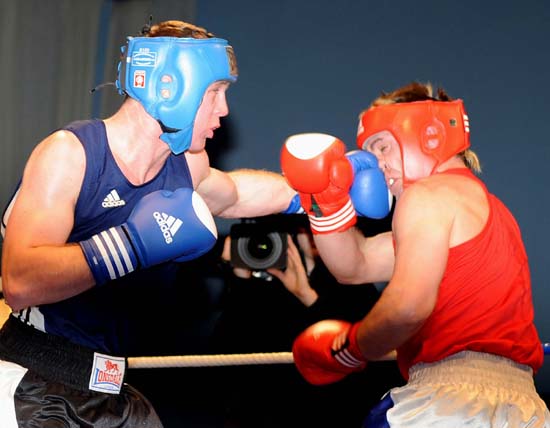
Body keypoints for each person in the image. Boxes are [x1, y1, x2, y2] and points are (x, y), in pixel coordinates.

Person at [0, 19, 298, 428]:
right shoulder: (71, 154)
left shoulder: (186, 167)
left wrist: (319, 189)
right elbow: (19, 281)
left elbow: (236, 194)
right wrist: (131, 245)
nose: (224, 110)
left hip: (112, 390)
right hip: (33, 383)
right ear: (169, 86)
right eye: (214, 92)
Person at [281, 81, 550, 427]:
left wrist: (349, 349)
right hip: (524, 410)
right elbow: (356, 265)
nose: (376, 166)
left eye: (381, 147)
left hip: (451, 404)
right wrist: (326, 204)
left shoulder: (426, 196)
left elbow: (407, 307)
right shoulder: (481, 207)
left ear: (429, 134)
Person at [210, 216, 403, 428]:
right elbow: (225, 357)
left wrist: (308, 297)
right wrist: (240, 280)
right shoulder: (260, 295)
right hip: (270, 414)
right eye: (306, 229)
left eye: (319, 231)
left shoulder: (352, 286)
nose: (315, 238)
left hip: (335, 412)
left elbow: (366, 362)